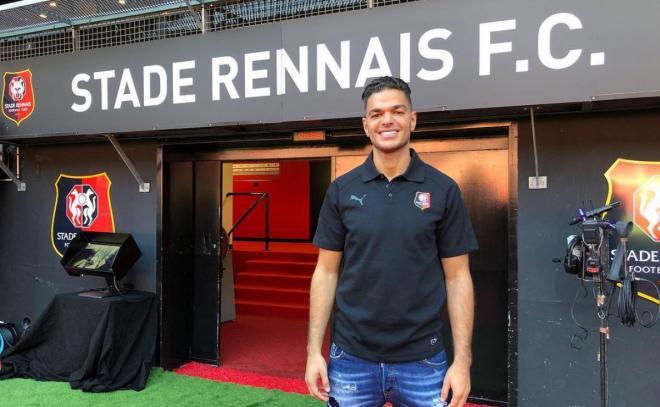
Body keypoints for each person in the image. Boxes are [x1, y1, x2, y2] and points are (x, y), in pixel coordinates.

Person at [304, 76, 479, 407]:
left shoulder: (443, 190)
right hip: (351, 358)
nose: (387, 120)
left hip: (423, 361)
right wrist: (314, 351)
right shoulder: (342, 191)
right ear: (365, 125)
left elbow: (458, 277)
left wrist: (463, 361)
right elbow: (325, 273)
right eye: (377, 113)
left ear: (412, 120)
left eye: (397, 111)